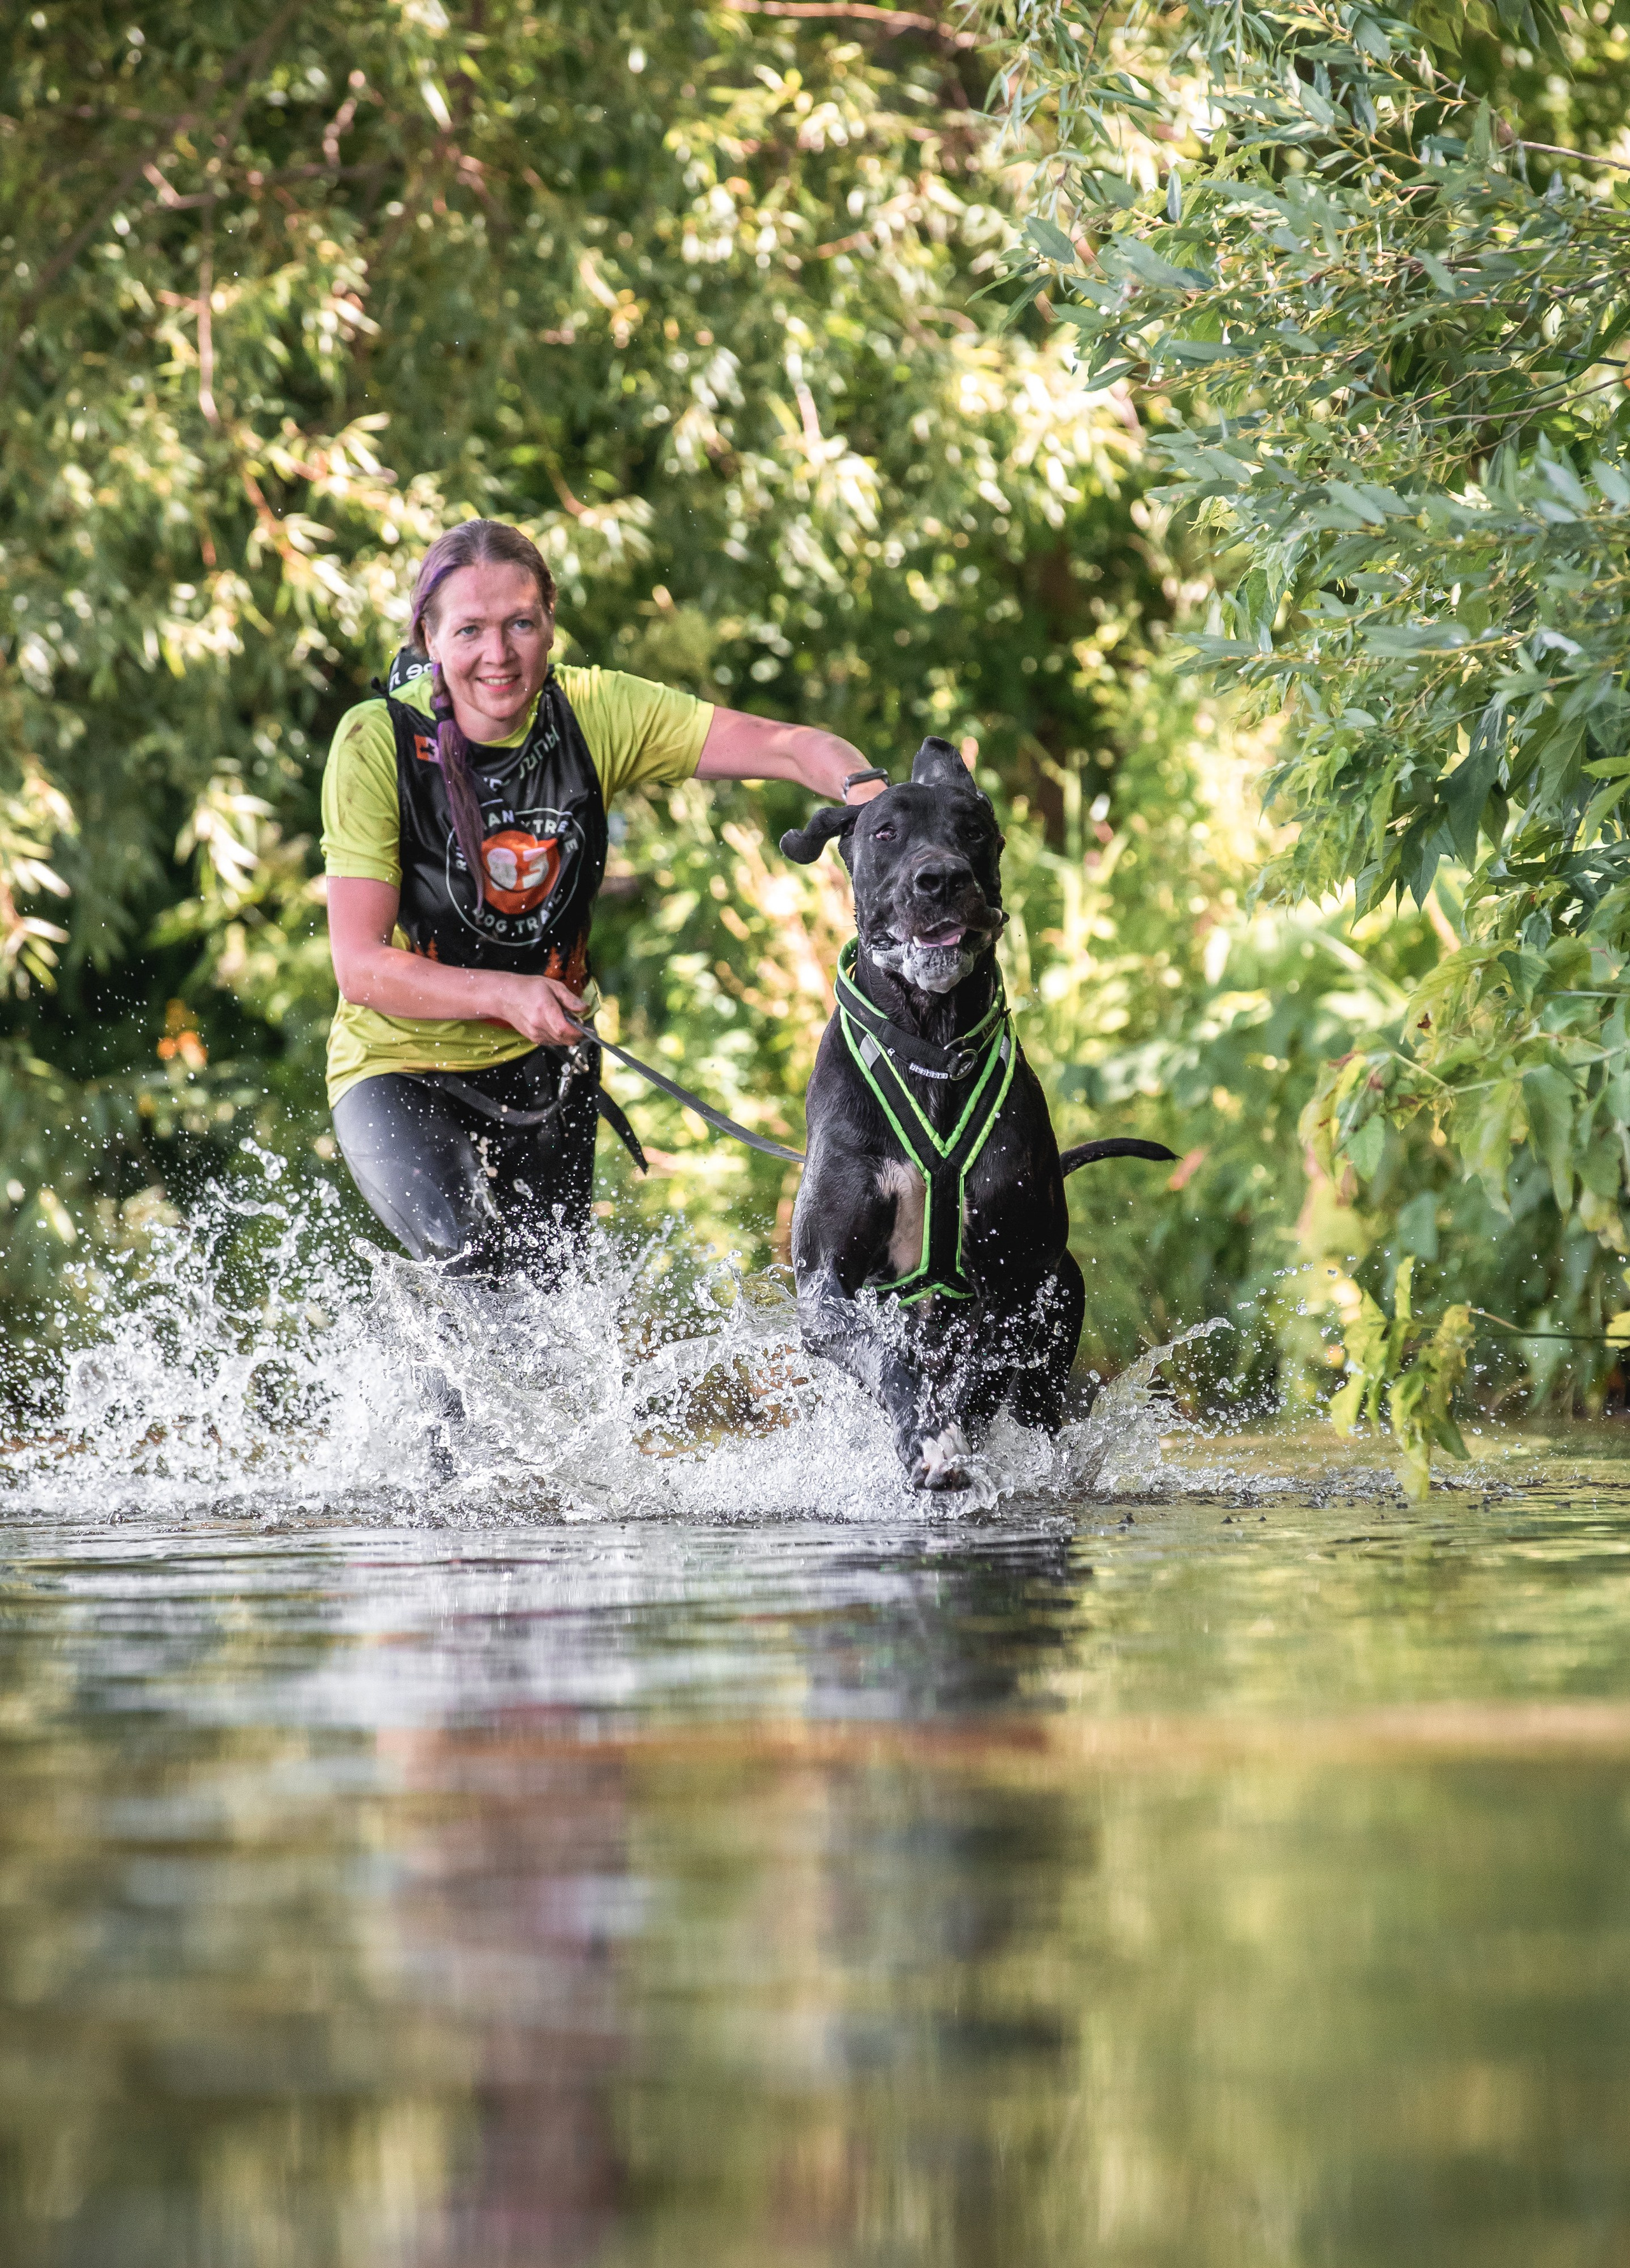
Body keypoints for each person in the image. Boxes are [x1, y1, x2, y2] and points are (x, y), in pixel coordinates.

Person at [320, 516, 877, 1284]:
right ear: (428, 638)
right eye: (470, 630)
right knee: (479, 1276)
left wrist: (878, 798)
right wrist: (506, 995)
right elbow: (360, 966)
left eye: (521, 624)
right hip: (398, 1069)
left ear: (550, 623)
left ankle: (441, 1400)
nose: (497, 654)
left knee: (552, 1324)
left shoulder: (593, 712)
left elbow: (785, 745)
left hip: (550, 1068)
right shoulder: (376, 741)